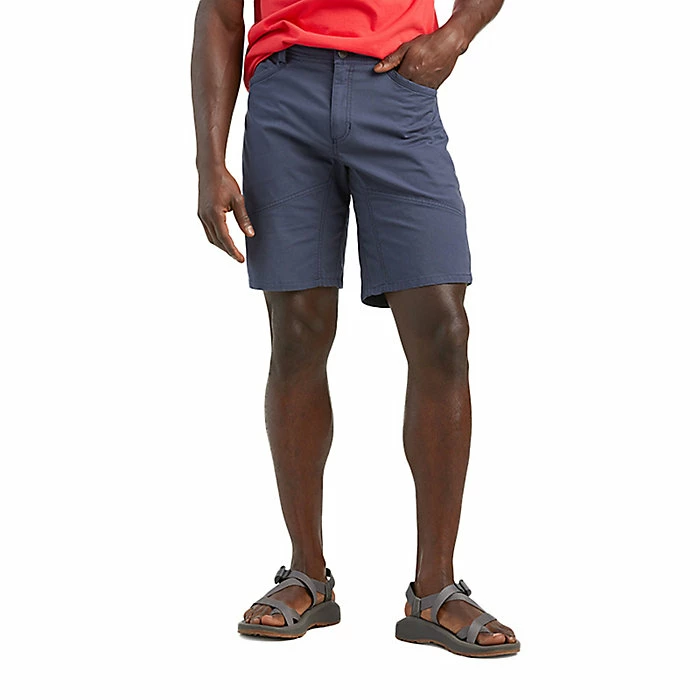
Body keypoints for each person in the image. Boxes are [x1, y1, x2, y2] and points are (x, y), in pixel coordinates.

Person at [191, 0, 519, 658]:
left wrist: (455, 36)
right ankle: (307, 577)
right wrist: (209, 160)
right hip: (285, 96)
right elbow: (220, 16)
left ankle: (435, 591)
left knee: (444, 330)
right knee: (298, 333)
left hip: (396, 88)